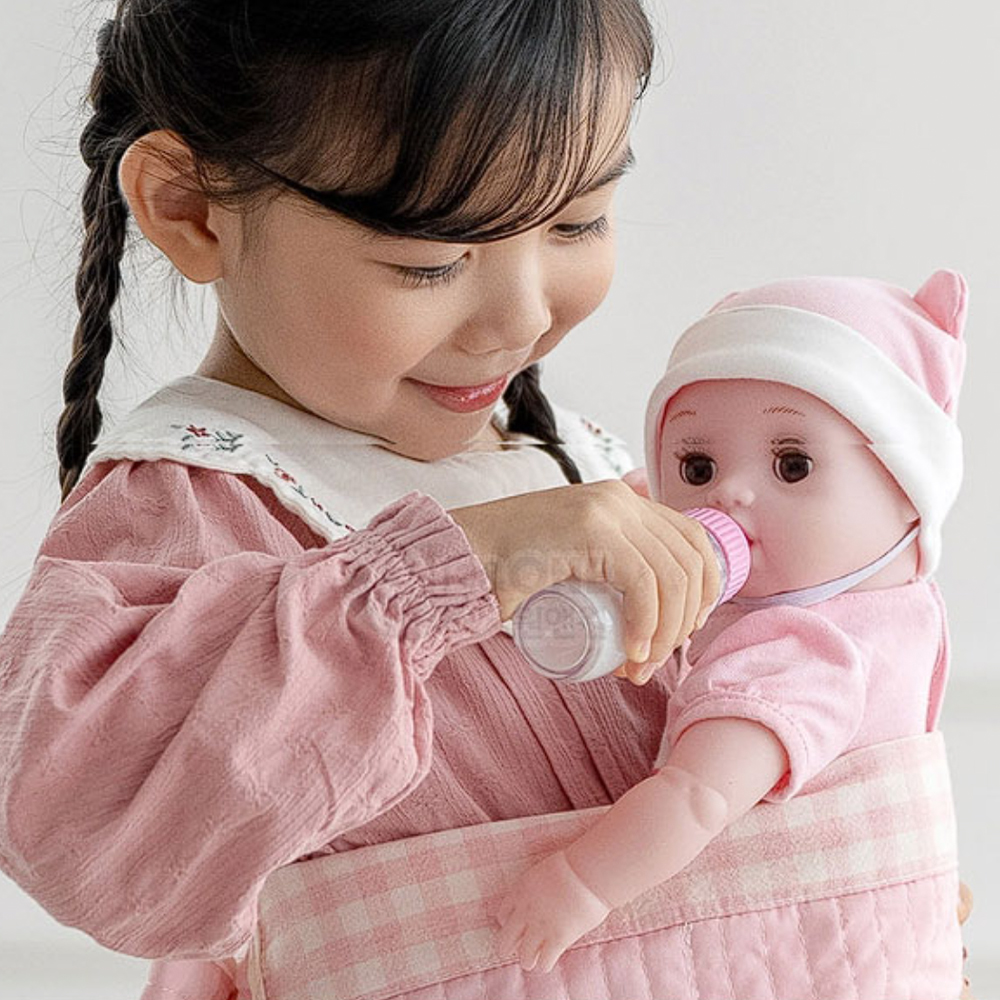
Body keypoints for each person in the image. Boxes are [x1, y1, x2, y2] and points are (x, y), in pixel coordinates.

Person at [0, 3, 730, 999]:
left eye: (578, 220)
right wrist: (439, 573)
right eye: (428, 259)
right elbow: (92, 849)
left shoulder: (584, 470)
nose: (519, 315)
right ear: (194, 209)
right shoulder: (195, 507)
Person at [497, 271, 970, 997]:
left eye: (792, 464)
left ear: (908, 488)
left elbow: (696, 795)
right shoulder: (889, 606)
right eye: (696, 465)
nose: (730, 494)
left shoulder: (801, 652)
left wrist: (579, 881)